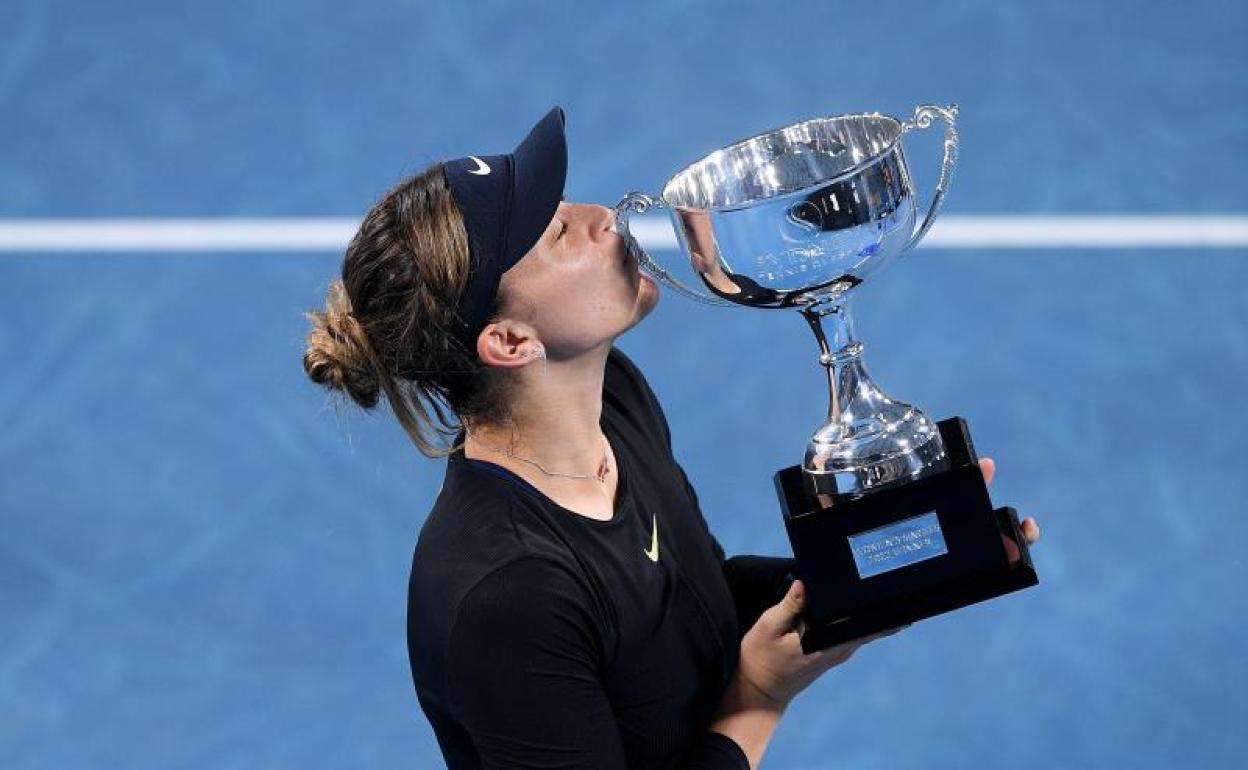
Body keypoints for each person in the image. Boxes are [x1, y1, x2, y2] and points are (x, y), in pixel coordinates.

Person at [302, 106, 1041, 770]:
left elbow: (686, 600)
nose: (604, 216)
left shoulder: (613, 400)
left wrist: (888, 569)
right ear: (510, 340)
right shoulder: (509, 595)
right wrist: (758, 695)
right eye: (561, 232)